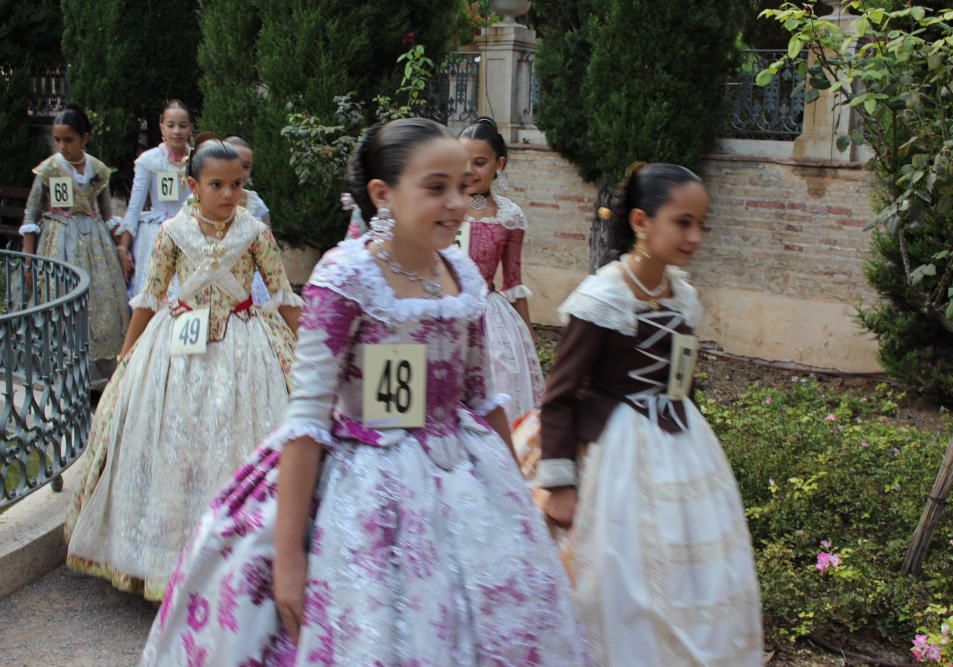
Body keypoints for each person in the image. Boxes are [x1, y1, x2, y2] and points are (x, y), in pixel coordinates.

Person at [140, 118, 589, 665]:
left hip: (465, 482)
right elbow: (306, 418)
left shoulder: (465, 277)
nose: (456, 203)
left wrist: (517, 501)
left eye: (462, 188)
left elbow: (481, 397)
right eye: (435, 187)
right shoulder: (346, 277)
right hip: (362, 485)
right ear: (382, 193)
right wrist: (288, 560)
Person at [537, 163, 763, 665]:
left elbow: (682, 380)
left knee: (692, 572)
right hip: (617, 456)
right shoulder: (604, 297)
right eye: (682, 223)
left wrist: (704, 456)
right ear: (641, 221)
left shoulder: (682, 297)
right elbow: (559, 394)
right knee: (625, 577)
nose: (695, 236)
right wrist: (560, 483)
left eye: (701, 224)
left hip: (681, 445)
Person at [64, 134, 302, 601]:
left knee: (237, 443)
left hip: (245, 343)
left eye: (237, 184)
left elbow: (282, 293)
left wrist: (309, 348)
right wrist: (128, 357)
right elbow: (150, 297)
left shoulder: (255, 231)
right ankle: (163, 559)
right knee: (178, 447)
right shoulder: (172, 232)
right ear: (193, 185)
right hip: (177, 347)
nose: (230, 194)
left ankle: (240, 564)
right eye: (217, 185)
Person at [19, 104, 129, 386]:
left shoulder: (99, 170)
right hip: (59, 240)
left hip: (95, 243)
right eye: (57, 140)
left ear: (85, 138)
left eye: (68, 140)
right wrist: (28, 259)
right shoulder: (49, 169)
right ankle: (60, 370)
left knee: (101, 303)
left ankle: (99, 372)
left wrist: (120, 248)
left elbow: (106, 214)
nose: (62, 146)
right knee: (60, 299)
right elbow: (31, 213)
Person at [458, 116, 544, 426]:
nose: (469, 171)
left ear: (500, 164)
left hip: (491, 320)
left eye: (479, 162)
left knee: (499, 394)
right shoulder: (442, 208)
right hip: (443, 310)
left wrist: (529, 343)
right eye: (462, 161)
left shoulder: (509, 216)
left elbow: (513, 282)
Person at [117, 99, 193, 298]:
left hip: (191, 231)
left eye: (182, 126)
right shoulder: (149, 160)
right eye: (171, 125)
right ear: (162, 127)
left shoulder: (198, 160)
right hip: (156, 235)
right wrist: (124, 246)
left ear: (190, 128)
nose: (176, 131)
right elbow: (134, 206)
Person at [225, 135, 272, 305]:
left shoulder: (256, 204)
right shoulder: (199, 201)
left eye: (245, 167)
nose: (239, 171)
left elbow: (269, 250)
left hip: (250, 283)